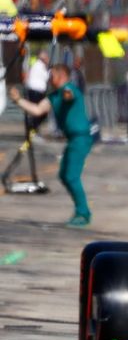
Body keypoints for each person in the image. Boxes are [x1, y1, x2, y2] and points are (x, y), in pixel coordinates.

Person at [8, 64, 93, 226]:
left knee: (71, 176)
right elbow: (37, 110)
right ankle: (82, 211)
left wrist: (66, 93)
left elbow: (69, 95)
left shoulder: (69, 88)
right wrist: (18, 100)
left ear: (61, 76)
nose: (49, 79)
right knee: (64, 175)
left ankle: (83, 213)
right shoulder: (54, 96)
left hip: (80, 138)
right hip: (72, 139)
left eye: (52, 75)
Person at [23, 50, 49, 136]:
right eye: (46, 57)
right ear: (43, 58)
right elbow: (46, 77)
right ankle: (33, 129)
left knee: (38, 112)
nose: (48, 59)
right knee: (40, 112)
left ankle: (33, 129)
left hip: (35, 91)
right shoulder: (40, 66)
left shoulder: (37, 65)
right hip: (36, 91)